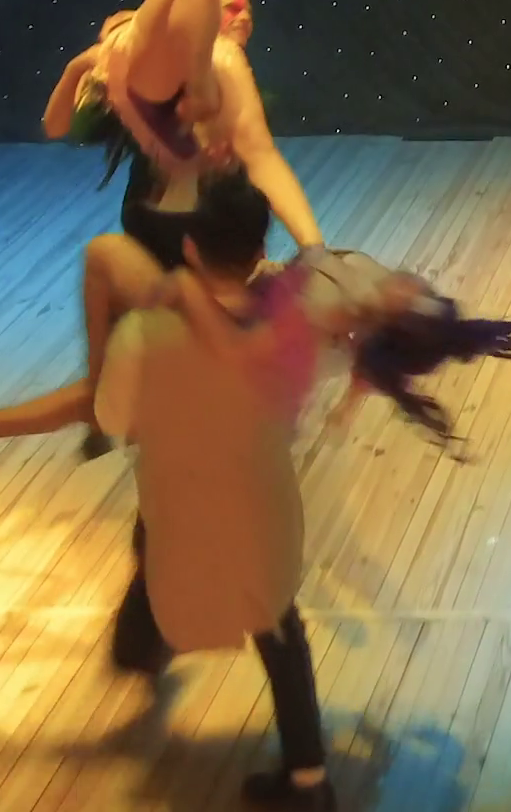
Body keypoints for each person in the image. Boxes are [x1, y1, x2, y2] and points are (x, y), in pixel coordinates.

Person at [0, 0, 323, 456]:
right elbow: (57, 124)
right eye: (229, 8)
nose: (243, 15)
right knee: (111, 359)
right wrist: (81, 65)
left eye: (247, 10)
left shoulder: (230, 91)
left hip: (199, 280)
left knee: (106, 283)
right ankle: (80, 407)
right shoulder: (152, 89)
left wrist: (309, 249)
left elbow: (259, 162)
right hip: (156, 258)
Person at [92, 174, 334, 810]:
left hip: (179, 501)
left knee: (154, 553)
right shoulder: (292, 321)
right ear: (261, 249)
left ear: (190, 249)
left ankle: (139, 648)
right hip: (263, 498)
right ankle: (310, 780)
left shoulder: (147, 331)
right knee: (279, 626)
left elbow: (114, 418)